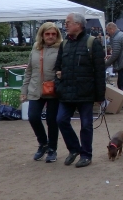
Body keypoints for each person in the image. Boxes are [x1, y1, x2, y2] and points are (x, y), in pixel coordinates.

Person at [54, 13, 106, 168]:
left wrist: (100, 95)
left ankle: (86, 155)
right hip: (67, 92)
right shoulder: (64, 44)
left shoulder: (92, 43)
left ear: (78, 24)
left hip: (86, 92)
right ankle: (74, 149)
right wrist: (59, 85)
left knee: (86, 125)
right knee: (61, 120)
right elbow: (58, 67)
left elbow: (99, 71)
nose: (65, 25)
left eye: (68, 22)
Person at [21, 22, 62, 163]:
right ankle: (43, 143)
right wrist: (24, 90)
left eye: (53, 34)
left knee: (52, 121)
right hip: (35, 88)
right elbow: (29, 71)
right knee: (33, 117)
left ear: (57, 35)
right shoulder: (35, 49)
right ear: (42, 35)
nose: (50, 36)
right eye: (47, 34)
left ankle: (52, 149)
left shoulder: (61, 49)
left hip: (53, 90)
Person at [105, 22, 123, 109]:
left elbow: (116, 54)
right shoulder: (122, 35)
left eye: (108, 31)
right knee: (122, 82)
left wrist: (106, 64)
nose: (108, 33)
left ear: (112, 29)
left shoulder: (116, 38)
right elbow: (121, 51)